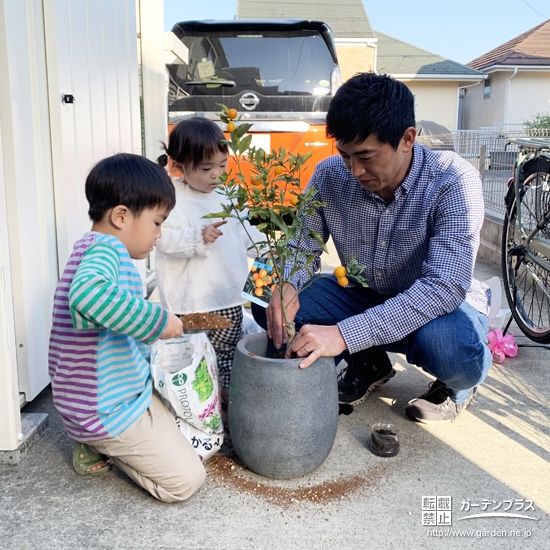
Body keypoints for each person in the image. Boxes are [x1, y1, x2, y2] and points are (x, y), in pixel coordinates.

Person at [253, 72, 492, 424]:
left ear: (407, 139)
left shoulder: (454, 180)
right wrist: (286, 282)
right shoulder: (328, 175)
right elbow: (302, 245)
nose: (354, 170)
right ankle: (370, 360)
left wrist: (343, 335)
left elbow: (443, 287)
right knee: (268, 305)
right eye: (346, 155)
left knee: (451, 348)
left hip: (438, 309)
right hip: (363, 293)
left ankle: (457, 388)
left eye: (366, 156)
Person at [48, 153, 206, 502]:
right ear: (121, 216)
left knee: (185, 420)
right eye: (157, 222)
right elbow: (87, 297)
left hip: (114, 391)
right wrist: (159, 322)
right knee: (186, 480)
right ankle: (101, 445)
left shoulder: (96, 250)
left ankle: (99, 439)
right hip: (105, 409)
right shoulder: (105, 251)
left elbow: (112, 315)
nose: (159, 234)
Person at [155, 117, 263, 403]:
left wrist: (269, 249)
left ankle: (223, 407)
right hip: (186, 304)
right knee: (190, 358)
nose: (216, 174)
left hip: (227, 299)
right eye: (206, 168)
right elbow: (162, 238)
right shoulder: (170, 198)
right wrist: (197, 236)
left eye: (222, 166)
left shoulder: (229, 194)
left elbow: (248, 233)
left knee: (227, 358)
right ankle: (195, 407)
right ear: (179, 165)